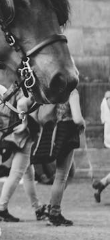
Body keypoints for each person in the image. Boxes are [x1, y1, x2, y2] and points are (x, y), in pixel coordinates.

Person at [0, 94, 47, 223]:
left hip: (19, 136)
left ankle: (38, 208)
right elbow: (22, 103)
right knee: (17, 174)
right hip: (24, 137)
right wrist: (24, 122)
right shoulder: (29, 88)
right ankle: (1, 208)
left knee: (29, 174)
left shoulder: (19, 87)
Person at [40, 88, 85, 225]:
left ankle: (51, 205)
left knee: (70, 171)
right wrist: (83, 124)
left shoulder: (54, 90)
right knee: (61, 175)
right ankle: (54, 212)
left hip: (56, 130)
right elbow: (77, 119)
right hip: (67, 131)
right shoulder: (71, 91)